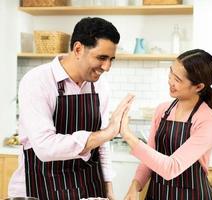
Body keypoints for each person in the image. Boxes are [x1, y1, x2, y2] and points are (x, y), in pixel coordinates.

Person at [8, 17, 134, 200]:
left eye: (111, 59)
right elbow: (45, 147)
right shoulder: (37, 81)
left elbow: (101, 146)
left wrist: (108, 189)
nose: (107, 67)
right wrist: (107, 133)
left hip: (89, 189)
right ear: (78, 49)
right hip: (41, 188)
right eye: (101, 58)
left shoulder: (100, 86)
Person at [120, 49, 212, 200]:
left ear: (198, 87)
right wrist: (135, 186)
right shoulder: (163, 110)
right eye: (171, 74)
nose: (170, 82)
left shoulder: (208, 120)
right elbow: (150, 155)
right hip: (157, 194)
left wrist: (127, 135)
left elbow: (171, 167)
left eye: (178, 80)